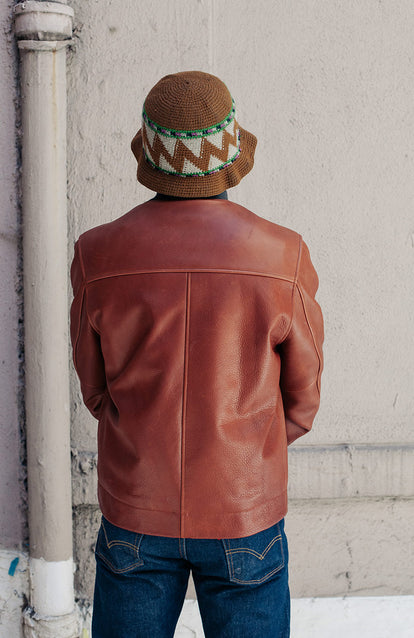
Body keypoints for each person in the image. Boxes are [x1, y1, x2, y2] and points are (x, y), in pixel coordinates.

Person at [70, 70, 324, 638]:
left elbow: (94, 386)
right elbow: (303, 399)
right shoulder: (282, 254)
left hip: (136, 501)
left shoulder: (97, 252)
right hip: (243, 507)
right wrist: (249, 447)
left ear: (151, 156)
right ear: (231, 152)